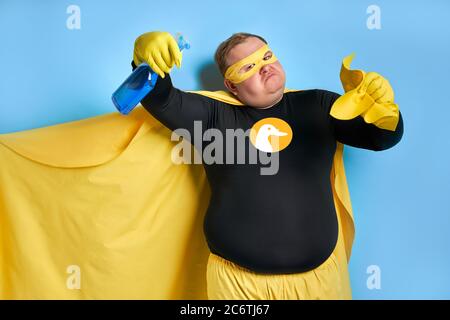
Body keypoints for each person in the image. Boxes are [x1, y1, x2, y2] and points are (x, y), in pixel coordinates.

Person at [131, 31, 404, 299]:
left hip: (321, 282)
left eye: (267, 56)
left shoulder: (319, 105)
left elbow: (381, 138)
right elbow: (161, 98)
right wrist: (145, 59)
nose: (265, 68)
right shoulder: (213, 116)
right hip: (238, 287)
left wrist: (382, 107)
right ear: (232, 86)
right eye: (248, 67)